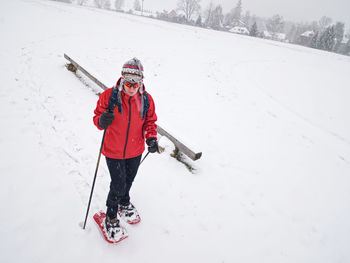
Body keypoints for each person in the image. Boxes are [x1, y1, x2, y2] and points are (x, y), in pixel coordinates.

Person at [93, 58, 158, 238]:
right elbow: (97, 117)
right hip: (113, 150)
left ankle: (124, 201)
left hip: (135, 150)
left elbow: (150, 122)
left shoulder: (146, 99)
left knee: (129, 180)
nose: (131, 87)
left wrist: (151, 138)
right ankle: (111, 216)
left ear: (141, 82)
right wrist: (101, 120)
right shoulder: (109, 96)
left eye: (136, 83)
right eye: (128, 82)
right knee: (118, 183)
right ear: (122, 78)